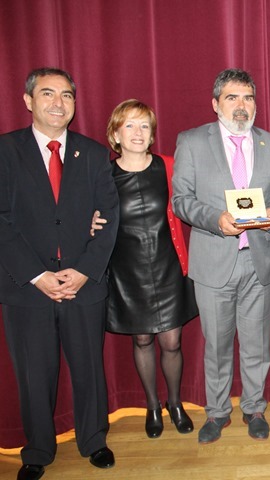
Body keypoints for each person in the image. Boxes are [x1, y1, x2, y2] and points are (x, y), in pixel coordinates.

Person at [0, 68, 119, 480]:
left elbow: (110, 217)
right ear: (28, 100)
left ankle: (94, 440)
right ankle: (37, 451)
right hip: (26, 287)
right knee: (35, 373)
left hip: (83, 284)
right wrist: (37, 274)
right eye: (47, 94)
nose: (58, 103)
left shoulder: (93, 153)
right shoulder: (5, 151)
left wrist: (84, 270)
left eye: (66, 95)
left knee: (88, 367)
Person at [172, 69, 270, 444]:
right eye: (233, 98)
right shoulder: (191, 142)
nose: (242, 107)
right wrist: (214, 220)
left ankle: (254, 408)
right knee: (217, 346)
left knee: (257, 344)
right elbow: (181, 200)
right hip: (213, 261)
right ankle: (218, 412)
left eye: (248, 98)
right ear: (215, 103)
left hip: (258, 260)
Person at [96, 99, 198, 439]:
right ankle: (152, 405)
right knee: (141, 338)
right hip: (127, 271)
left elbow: (188, 204)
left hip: (168, 265)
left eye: (144, 126)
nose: (138, 133)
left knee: (172, 341)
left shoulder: (168, 166)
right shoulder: (103, 174)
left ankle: (175, 402)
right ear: (115, 134)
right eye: (129, 125)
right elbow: (86, 213)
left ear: (152, 132)